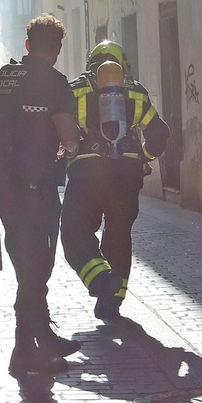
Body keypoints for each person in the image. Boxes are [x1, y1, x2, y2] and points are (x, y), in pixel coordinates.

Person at [0, 14, 84, 378]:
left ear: (27, 45)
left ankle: (41, 335)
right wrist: (67, 148)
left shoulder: (4, 77)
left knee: (25, 262)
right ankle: (26, 349)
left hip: (7, 187)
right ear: (57, 49)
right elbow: (68, 134)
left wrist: (9, 147)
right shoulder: (54, 82)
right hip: (39, 187)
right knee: (38, 265)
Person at [60, 40, 170, 323]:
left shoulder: (75, 89)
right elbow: (159, 133)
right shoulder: (136, 91)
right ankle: (112, 303)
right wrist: (143, 157)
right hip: (127, 176)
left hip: (86, 174)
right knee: (119, 236)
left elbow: (59, 129)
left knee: (74, 233)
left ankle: (101, 280)